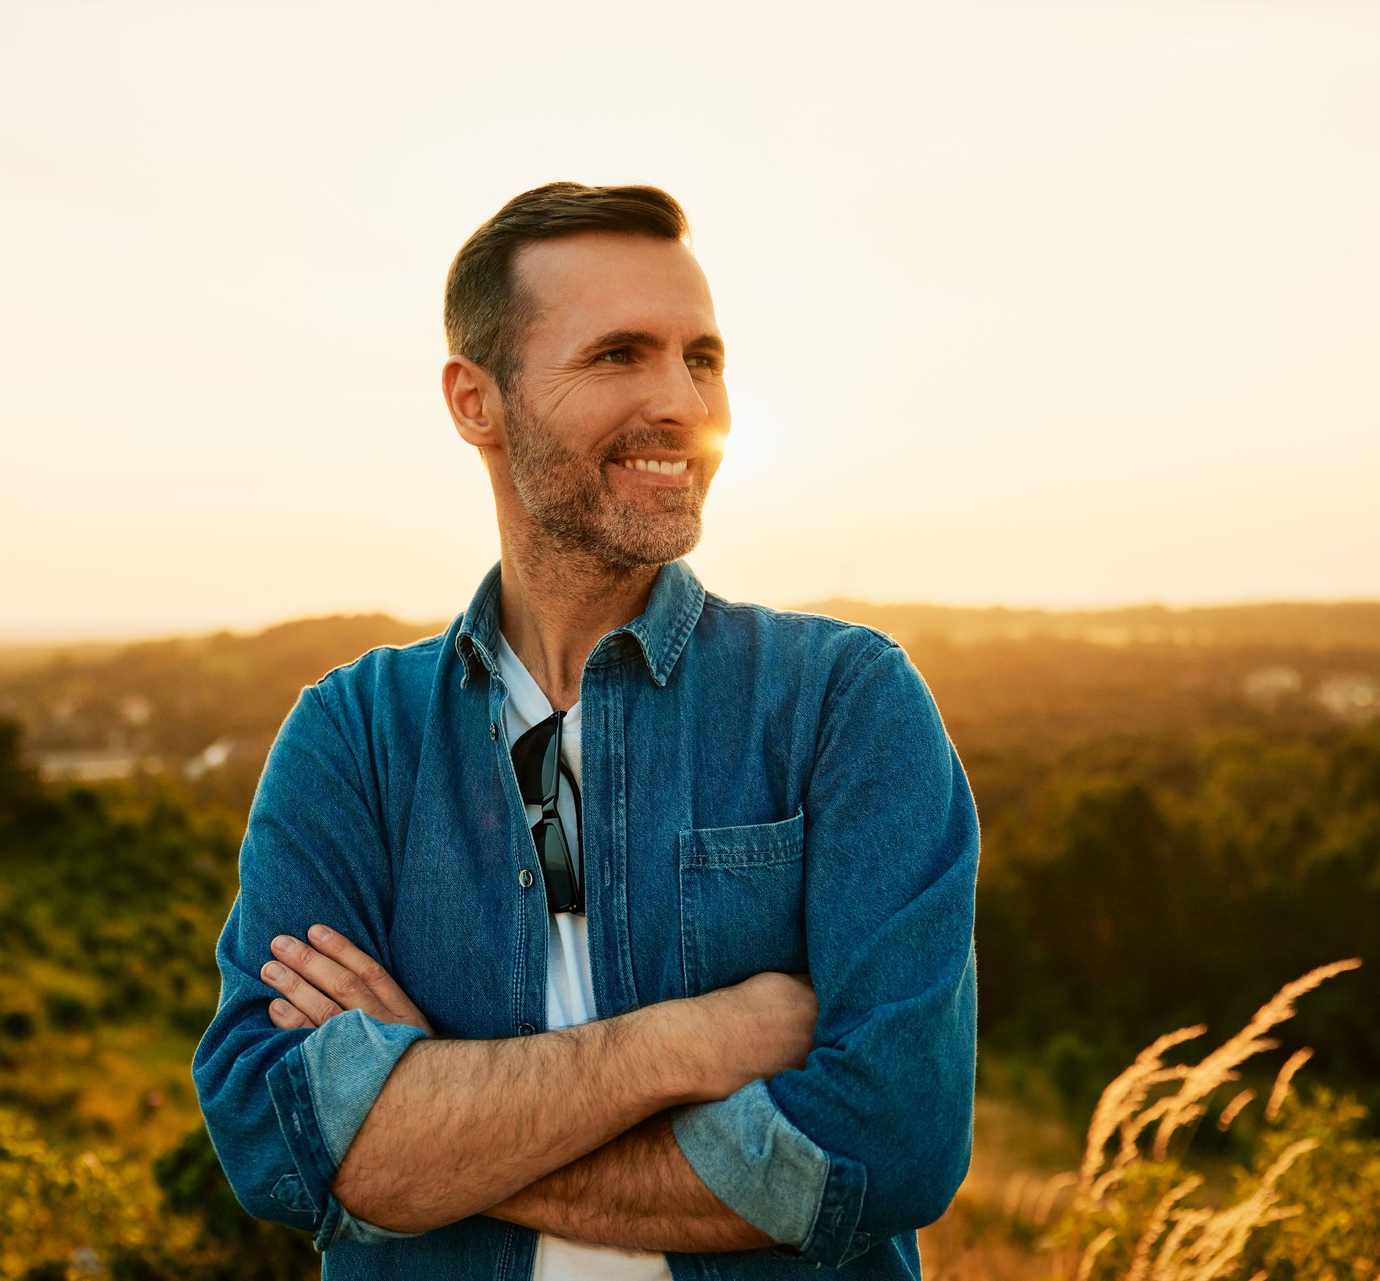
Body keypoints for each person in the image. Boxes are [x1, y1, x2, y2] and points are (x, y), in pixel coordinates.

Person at [193, 182, 979, 1279]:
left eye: (701, 357)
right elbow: (275, 1139)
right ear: (478, 400)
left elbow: (889, 1142)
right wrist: (686, 1044)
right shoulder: (353, 738)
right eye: (619, 355)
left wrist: (417, 1128)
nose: (683, 402)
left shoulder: (843, 704)